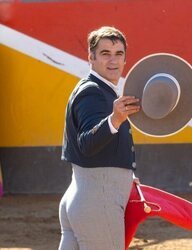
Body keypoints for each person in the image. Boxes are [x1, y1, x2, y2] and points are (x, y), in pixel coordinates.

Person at [59, 26, 140, 250]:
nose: (113, 61)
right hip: (97, 201)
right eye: (105, 54)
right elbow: (87, 142)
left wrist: (123, 175)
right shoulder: (93, 92)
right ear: (91, 58)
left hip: (85, 196)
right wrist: (114, 119)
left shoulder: (100, 90)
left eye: (119, 54)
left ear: (125, 58)